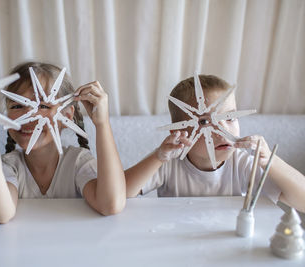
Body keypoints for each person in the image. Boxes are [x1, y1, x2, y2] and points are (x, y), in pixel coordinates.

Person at [0, 62, 126, 223]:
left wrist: (102, 124)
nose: (29, 116)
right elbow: (3, 213)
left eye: (43, 106)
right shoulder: (9, 165)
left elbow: (111, 204)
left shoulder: (77, 162)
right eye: (16, 106)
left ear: (66, 116)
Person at [125, 74, 305, 212]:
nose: (223, 132)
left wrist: (270, 162)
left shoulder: (242, 164)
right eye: (204, 122)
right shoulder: (168, 164)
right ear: (178, 131)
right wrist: (157, 157)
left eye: (230, 118)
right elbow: (121, 192)